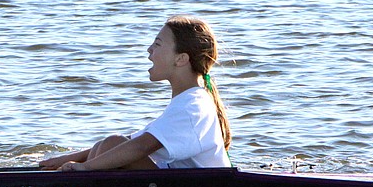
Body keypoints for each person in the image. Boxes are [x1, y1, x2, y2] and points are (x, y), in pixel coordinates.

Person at [39, 15, 231, 171]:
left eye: (157, 44)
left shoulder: (193, 106)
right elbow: (134, 141)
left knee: (111, 145)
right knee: (104, 146)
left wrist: (85, 168)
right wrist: (71, 159)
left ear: (181, 59)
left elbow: (142, 146)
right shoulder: (188, 100)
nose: (149, 50)